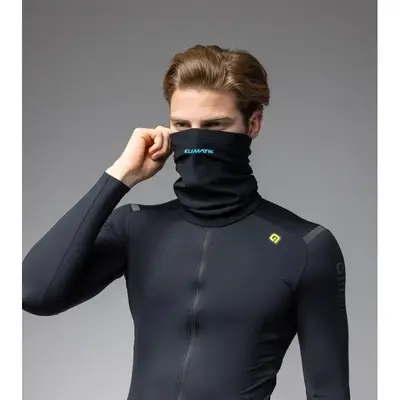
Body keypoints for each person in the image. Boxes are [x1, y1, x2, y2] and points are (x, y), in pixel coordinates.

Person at [22, 44, 351, 400]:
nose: (195, 139)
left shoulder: (304, 247)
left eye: (214, 126)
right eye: (181, 125)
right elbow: (35, 293)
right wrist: (120, 176)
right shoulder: (135, 228)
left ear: (253, 124)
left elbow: (329, 391)